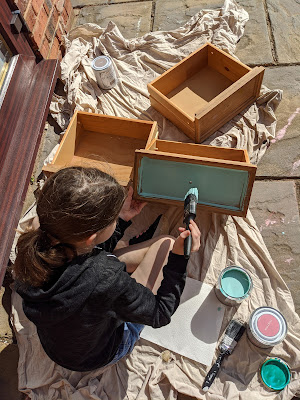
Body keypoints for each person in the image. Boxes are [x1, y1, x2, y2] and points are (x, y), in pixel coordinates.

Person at [14, 166, 201, 372]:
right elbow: (160, 314)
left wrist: (120, 220)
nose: (115, 218)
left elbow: (87, 254)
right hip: (99, 354)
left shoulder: (33, 248)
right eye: (112, 218)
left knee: (131, 251)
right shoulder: (105, 277)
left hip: (59, 347)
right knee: (166, 244)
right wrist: (179, 259)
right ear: (91, 238)